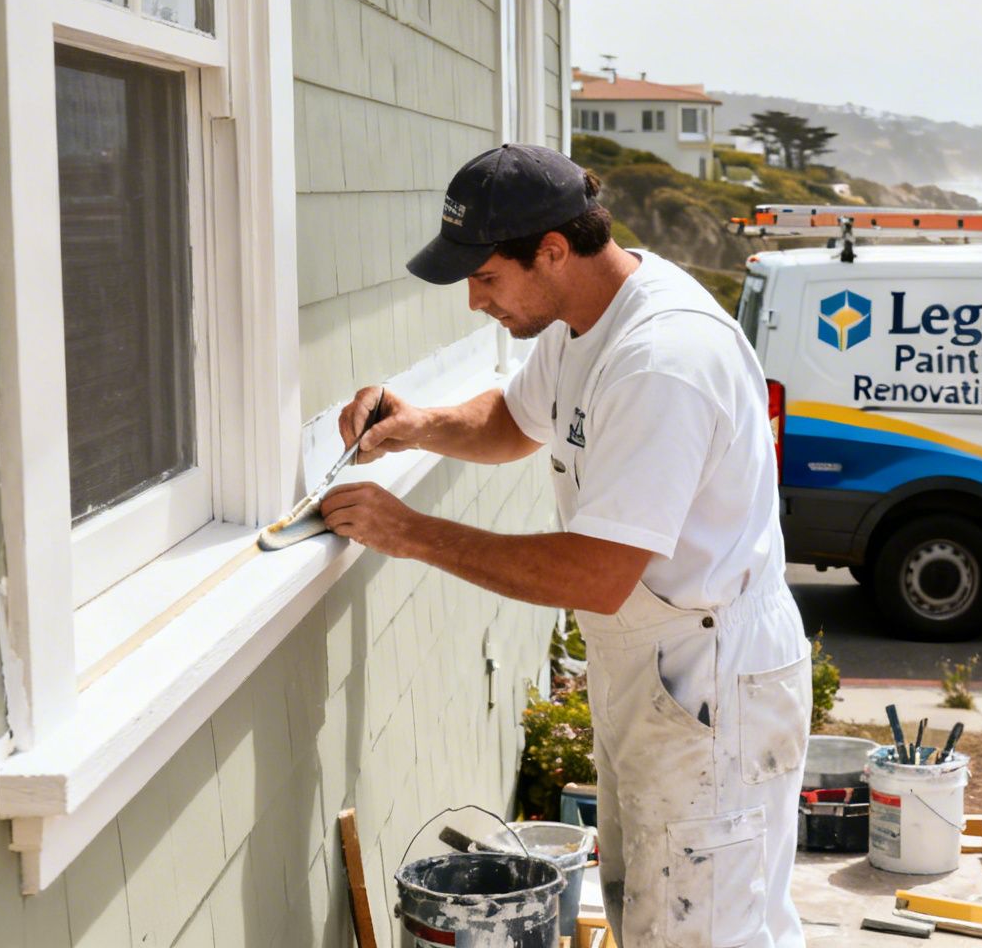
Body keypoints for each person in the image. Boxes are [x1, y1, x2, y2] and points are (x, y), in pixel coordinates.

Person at [320, 143, 811, 948]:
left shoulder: (662, 361)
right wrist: (416, 429)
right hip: (658, 671)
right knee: (648, 912)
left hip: (712, 684)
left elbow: (595, 573)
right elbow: (515, 421)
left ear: (552, 250)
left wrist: (408, 532)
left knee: (708, 931)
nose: (476, 303)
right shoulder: (584, 319)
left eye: (485, 278)